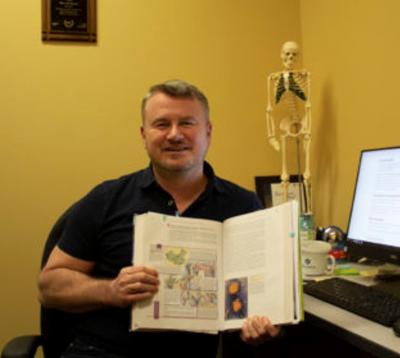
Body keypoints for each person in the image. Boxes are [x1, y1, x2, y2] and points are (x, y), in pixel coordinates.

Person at [38, 79, 281, 357]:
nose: (175, 135)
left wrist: (262, 325)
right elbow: (49, 286)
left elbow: (265, 293)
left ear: (209, 132)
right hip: (103, 350)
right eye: (162, 124)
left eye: (187, 123)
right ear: (144, 134)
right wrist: (111, 290)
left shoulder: (243, 204)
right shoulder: (107, 198)